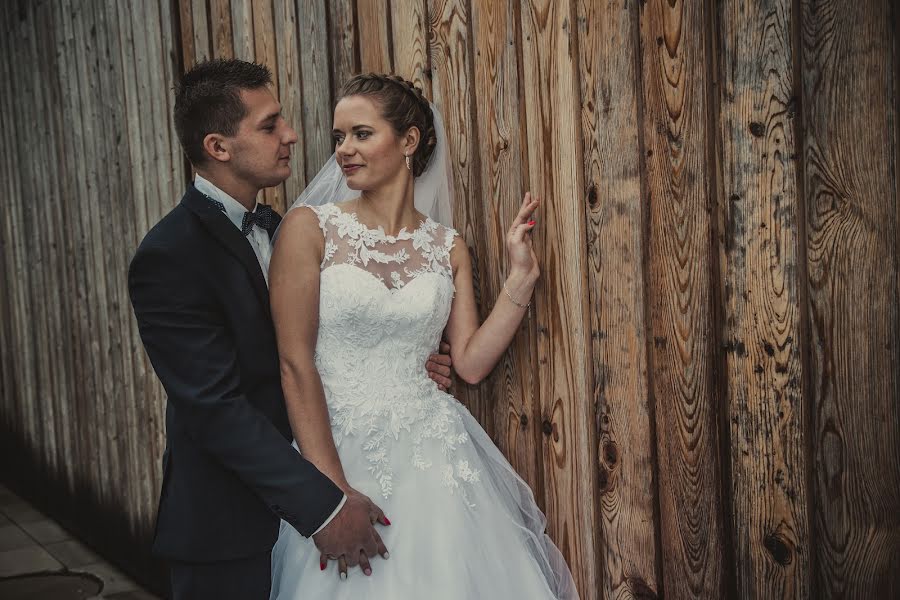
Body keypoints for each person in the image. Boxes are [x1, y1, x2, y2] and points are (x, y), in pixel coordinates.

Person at [127, 60, 452, 600]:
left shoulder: (287, 232)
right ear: (218, 146)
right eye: (270, 124)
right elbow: (215, 407)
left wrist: (405, 354)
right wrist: (324, 506)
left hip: (318, 494)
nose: (292, 135)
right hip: (229, 530)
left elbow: (326, 339)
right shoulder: (169, 256)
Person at [269, 73, 578, 598]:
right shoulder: (310, 228)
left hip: (434, 457)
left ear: (408, 141)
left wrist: (520, 277)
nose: (344, 150)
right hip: (337, 451)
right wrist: (331, 494)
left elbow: (472, 362)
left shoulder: (447, 246)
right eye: (339, 137)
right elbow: (294, 363)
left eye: (361, 134)